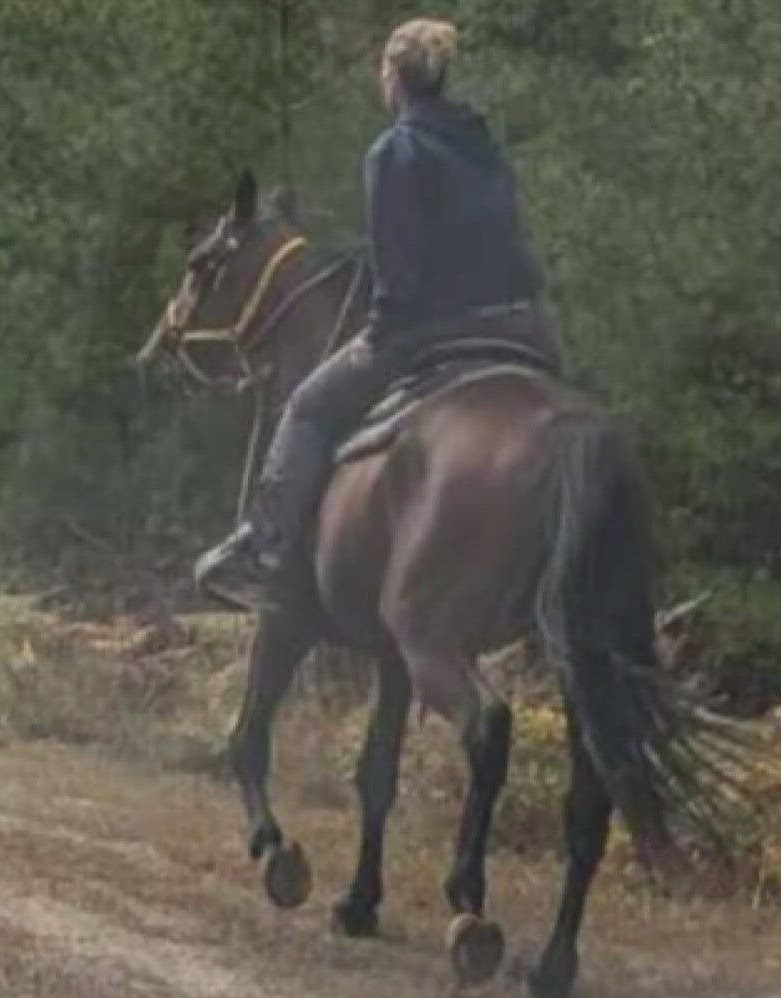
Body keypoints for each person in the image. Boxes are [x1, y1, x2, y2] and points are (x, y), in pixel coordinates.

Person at [197, 17, 560, 609]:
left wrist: (382, 329)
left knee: (308, 406)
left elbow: (400, 273)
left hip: (437, 331)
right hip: (523, 325)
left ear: (393, 78)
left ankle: (263, 551)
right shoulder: (483, 143)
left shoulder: (394, 149)